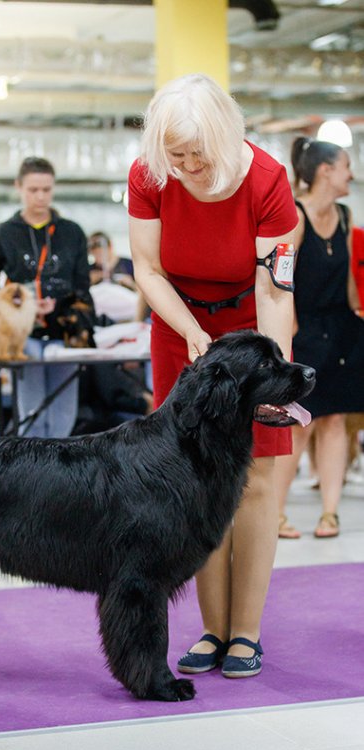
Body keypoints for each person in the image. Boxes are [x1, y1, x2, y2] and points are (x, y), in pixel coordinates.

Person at [128, 73, 298, 678]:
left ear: (226, 138)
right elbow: (146, 268)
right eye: (178, 156)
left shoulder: (267, 180)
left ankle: (245, 632)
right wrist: (191, 331)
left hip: (253, 325)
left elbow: (276, 291)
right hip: (180, 327)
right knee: (192, 476)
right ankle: (210, 628)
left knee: (254, 481)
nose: (190, 167)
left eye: (199, 154)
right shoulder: (150, 174)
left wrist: (269, 378)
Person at [274, 137, 364, 539]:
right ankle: (276, 513)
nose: (351, 173)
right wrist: (287, 330)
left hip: (341, 328)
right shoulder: (294, 216)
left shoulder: (345, 217)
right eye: (346, 165)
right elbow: (279, 277)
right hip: (303, 329)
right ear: (326, 171)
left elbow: (347, 282)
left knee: (335, 421)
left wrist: (357, 317)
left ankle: (330, 513)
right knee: (300, 423)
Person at [0, 156, 92, 437]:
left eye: (47, 189)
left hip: (65, 336)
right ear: (19, 187)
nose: (40, 197)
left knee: (64, 413)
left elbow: (83, 285)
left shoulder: (72, 233)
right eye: (33, 190)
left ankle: (59, 477)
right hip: (24, 337)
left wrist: (65, 307)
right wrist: (16, 309)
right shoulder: (4, 234)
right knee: (31, 412)